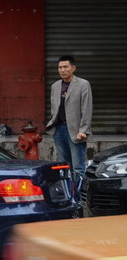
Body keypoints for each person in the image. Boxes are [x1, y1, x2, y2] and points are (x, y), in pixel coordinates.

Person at [45, 55, 92, 193]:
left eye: (65, 67)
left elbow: (87, 108)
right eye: (60, 67)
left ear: (73, 68)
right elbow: (54, 107)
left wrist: (83, 129)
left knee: (78, 168)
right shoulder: (55, 86)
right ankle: (68, 195)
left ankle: (78, 198)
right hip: (59, 130)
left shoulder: (83, 84)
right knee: (64, 167)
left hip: (76, 131)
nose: (62, 70)